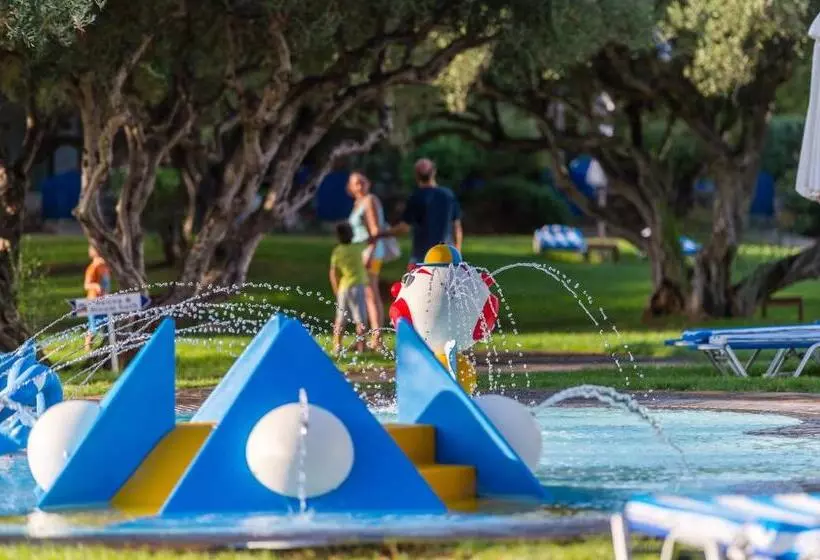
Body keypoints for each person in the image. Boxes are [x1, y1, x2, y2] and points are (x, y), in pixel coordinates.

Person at [376, 158, 462, 267]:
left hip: (422, 255)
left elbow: (404, 228)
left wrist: (381, 234)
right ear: (434, 172)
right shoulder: (448, 195)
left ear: (416, 175)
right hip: (447, 255)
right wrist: (457, 253)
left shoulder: (416, 197)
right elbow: (457, 228)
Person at [347, 171, 387, 349]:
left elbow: (375, 229)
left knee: (371, 294)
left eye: (362, 181)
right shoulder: (358, 203)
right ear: (351, 187)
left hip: (369, 252)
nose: (360, 185)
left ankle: (376, 337)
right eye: (356, 182)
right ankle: (366, 336)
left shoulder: (370, 200)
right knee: (365, 294)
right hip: (359, 252)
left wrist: (369, 251)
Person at [329, 223, 369, 355]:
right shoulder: (357, 248)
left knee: (340, 318)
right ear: (352, 234)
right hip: (357, 286)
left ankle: (337, 346)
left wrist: (336, 288)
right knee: (360, 318)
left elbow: (333, 273)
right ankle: (361, 347)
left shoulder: (337, 251)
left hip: (343, 287)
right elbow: (369, 241)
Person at [84, 245, 111, 352]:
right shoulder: (93, 267)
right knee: (94, 327)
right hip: (94, 301)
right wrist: (96, 286)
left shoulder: (105, 267)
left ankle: (106, 347)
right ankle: (87, 348)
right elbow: (87, 285)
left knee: (107, 325)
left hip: (105, 301)